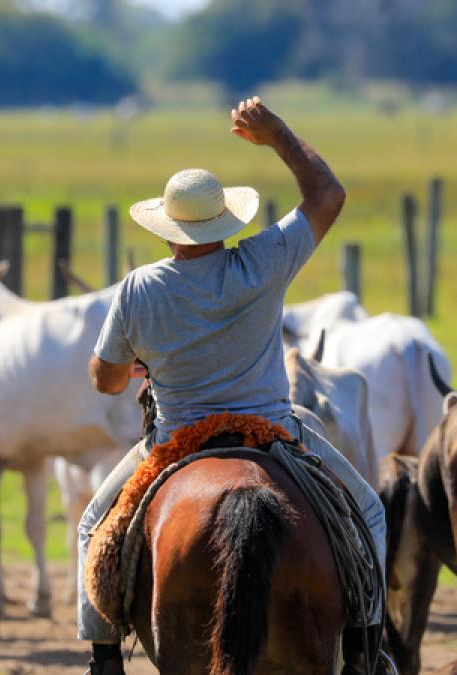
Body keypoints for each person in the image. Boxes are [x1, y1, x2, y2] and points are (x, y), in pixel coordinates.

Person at [79, 97, 386, 675]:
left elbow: (104, 380)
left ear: (168, 229)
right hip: (272, 431)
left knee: (94, 525)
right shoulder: (263, 261)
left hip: (175, 441)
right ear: (225, 223)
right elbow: (328, 196)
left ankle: (102, 656)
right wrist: (279, 137)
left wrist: (138, 364)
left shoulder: (140, 288)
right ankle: (369, 651)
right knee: (368, 512)